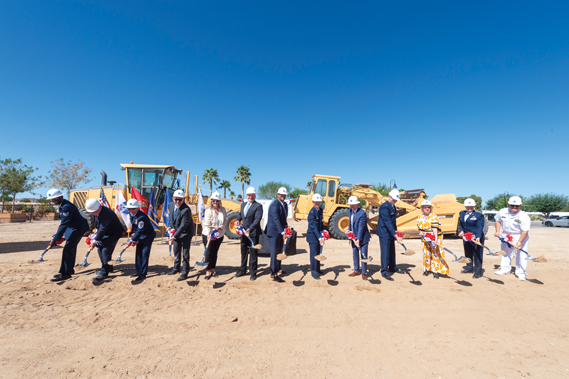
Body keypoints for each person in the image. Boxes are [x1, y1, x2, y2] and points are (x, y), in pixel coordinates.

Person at [46, 189, 89, 282]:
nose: (53, 201)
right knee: (70, 249)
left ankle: (65, 274)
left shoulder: (67, 207)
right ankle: (69, 270)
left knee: (68, 249)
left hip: (78, 228)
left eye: (55, 199)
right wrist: (60, 235)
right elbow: (64, 222)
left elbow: (64, 224)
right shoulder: (62, 205)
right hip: (72, 228)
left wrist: (55, 239)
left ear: (61, 197)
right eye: (52, 199)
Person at [85, 198, 124, 282]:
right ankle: (109, 268)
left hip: (114, 233)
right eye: (92, 211)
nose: (93, 213)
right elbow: (99, 225)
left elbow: (103, 228)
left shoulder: (106, 213)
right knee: (100, 250)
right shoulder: (93, 213)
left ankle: (104, 273)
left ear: (99, 206)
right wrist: (96, 230)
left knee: (105, 251)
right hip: (105, 233)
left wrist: (95, 241)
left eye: (95, 211)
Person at [494, 196, 531, 281]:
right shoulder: (502, 212)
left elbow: (525, 231)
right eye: (512, 205)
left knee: (521, 254)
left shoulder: (524, 216)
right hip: (506, 235)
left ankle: (521, 272)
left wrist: (519, 242)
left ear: (520, 206)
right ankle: (505, 269)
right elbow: (497, 220)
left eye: (517, 206)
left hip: (520, 235)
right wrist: (497, 231)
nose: (514, 207)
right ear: (509, 204)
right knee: (505, 253)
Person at [235, 186, 263, 281]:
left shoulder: (258, 206)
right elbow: (240, 214)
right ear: (246, 195)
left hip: (253, 233)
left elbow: (257, 219)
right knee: (243, 252)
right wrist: (238, 220)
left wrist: (250, 229)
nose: (250, 197)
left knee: (253, 253)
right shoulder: (243, 205)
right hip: (244, 233)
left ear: (255, 195)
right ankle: (242, 270)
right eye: (249, 195)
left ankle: (253, 272)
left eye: (252, 195)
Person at [125, 199, 156, 282]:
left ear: (137, 208)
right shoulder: (132, 215)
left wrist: (132, 240)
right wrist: (133, 233)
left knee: (144, 254)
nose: (131, 210)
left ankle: (143, 274)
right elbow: (136, 228)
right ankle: (138, 271)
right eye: (129, 209)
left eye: (133, 209)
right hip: (140, 236)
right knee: (138, 253)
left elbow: (140, 230)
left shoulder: (141, 217)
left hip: (147, 236)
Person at [377, 189, 404, 281]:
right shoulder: (384, 207)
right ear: (389, 197)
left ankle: (392, 267)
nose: (394, 200)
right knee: (385, 252)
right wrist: (395, 235)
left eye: (396, 199)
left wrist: (396, 233)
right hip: (384, 232)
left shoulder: (393, 206)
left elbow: (393, 222)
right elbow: (388, 222)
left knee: (392, 251)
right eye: (393, 199)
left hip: (391, 232)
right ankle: (384, 271)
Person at [167, 189, 194, 281]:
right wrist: (170, 226)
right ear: (173, 199)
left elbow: (183, 225)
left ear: (183, 199)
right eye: (176, 199)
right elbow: (171, 218)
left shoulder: (186, 210)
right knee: (176, 251)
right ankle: (176, 268)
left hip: (186, 233)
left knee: (185, 254)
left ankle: (185, 272)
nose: (177, 201)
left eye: (180, 199)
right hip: (177, 233)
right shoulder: (171, 205)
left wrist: (174, 236)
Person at [417, 200, 449, 278]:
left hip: (434, 237)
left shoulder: (434, 216)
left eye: (428, 207)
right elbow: (419, 228)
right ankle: (426, 269)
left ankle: (436, 271)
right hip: (425, 238)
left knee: (435, 253)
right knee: (426, 253)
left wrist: (436, 238)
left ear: (431, 208)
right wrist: (420, 232)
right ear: (422, 208)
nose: (427, 208)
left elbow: (435, 228)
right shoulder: (420, 217)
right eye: (425, 207)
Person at [265, 187, 289, 282]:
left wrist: (286, 227)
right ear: (277, 195)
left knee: (279, 251)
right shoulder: (274, 205)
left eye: (284, 195)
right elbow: (276, 220)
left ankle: (278, 268)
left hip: (280, 231)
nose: (283, 196)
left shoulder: (285, 204)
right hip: (273, 232)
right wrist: (282, 232)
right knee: (274, 253)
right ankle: (273, 273)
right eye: (281, 194)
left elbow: (283, 219)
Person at [201, 191, 227, 280]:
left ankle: (213, 270)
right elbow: (207, 224)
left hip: (219, 235)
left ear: (219, 201)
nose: (215, 202)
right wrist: (208, 234)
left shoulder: (223, 210)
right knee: (209, 253)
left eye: (217, 201)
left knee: (215, 253)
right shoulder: (208, 211)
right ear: (211, 201)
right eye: (213, 201)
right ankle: (207, 271)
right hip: (209, 235)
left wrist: (220, 227)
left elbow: (225, 220)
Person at [458, 198, 485, 279]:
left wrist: (478, 237)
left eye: (471, 206)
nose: (469, 207)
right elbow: (460, 223)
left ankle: (478, 272)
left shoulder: (479, 215)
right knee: (468, 252)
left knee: (477, 254)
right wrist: (462, 230)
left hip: (475, 237)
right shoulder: (462, 213)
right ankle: (469, 268)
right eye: (467, 206)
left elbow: (480, 227)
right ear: (465, 206)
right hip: (466, 237)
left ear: (474, 206)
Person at [346, 195, 371, 280]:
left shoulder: (362, 213)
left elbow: (361, 227)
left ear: (357, 204)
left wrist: (358, 239)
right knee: (355, 253)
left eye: (353, 204)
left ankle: (364, 273)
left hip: (363, 238)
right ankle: (356, 270)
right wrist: (349, 230)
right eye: (350, 204)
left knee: (363, 255)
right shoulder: (350, 210)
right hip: (353, 237)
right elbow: (351, 223)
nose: (351, 206)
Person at [306, 193, 325, 280]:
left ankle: (318, 269)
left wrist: (324, 231)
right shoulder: (312, 213)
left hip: (318, 235)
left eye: (319, 202)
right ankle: (314, 272)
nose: (317, 203)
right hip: (313, 236)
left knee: (318, 252)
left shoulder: (320, 210)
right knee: (314, 254)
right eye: (316, 202)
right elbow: (313, 227)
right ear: (313, 202)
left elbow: (320, 223)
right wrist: (319, 237)